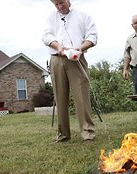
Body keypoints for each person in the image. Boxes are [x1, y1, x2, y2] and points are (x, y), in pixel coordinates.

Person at [42, 0, 98, 143]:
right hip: (56, 58)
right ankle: (63, 135)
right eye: (56, 5)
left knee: (81, 97)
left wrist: (81, 48)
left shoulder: (82, 14)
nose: (60, 7)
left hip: (76, 58)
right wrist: (58, 47)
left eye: (62, 3)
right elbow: (46, 36)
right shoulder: (50, 17)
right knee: (60, 97)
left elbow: (93, 36)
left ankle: (88, 134)